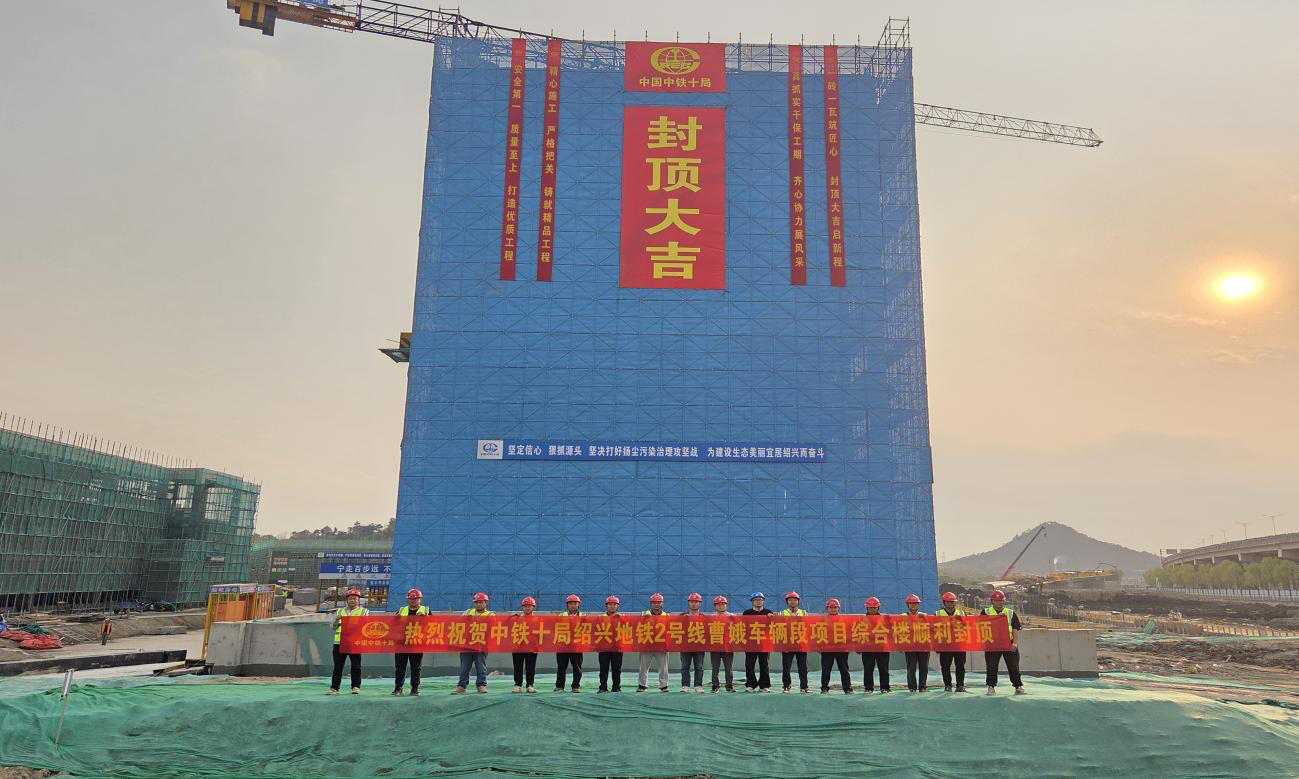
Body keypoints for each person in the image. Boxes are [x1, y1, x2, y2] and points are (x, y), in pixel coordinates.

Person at [982, 590, 1025, 695]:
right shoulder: (985, 612)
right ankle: (991, 687)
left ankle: (1018, 686)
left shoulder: (1010, 613)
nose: (998, 602)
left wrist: (1015, 643)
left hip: (1008, 643)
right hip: (992, 644)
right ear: (992, 601)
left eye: (1000, 600)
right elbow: (980, 627)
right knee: (991, 666)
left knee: (1013, 666)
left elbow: (1015, 629)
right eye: (996, 600)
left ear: (1003, 601)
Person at [327, 588, 369, 695]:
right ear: (347, 600)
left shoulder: (364, 612)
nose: (352, 600)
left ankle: (356, 687)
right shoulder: (339, 611)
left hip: (355, 643)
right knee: (338, 666)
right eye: (350, 598)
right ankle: (335, 688)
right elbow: (332, 627)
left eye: (355, 598)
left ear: (358, 600)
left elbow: (367, 626)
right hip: (339, 643)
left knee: (356, 665)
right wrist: (336, 619)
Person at [453, 592, 492, 694]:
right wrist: (465, 619)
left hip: (481, 645)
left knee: (481, 667)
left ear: (486, 602)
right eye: (476, 602)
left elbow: (492, 627)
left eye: (481, 602)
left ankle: (481, 685)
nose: (478, 604)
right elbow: (458, 623)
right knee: (464, 667)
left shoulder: (490, 614)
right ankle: (462, 686)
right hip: (466, 645)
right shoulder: (468, 612)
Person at [393, 588, 429, 696]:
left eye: (415, 599)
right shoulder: (401, 610)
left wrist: (425, 618)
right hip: (401, 642)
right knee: (400, 667)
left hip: (416, 643)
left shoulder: (425, 610)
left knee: (416, 667)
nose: (413, 601)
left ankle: (415, 689)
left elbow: (433, 625)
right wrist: (395, 619)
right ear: (408, 599)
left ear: (420, 599)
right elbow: (393, 624)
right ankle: (398, 688)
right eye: (411, 599)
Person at [637, 593, 671, 692]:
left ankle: (664, 686)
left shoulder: (667, 616)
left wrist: (668, 645)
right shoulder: (644, 614)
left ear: (662, 604)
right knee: (643, 667)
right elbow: (637, 627)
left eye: (658, 602)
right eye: (654, 602)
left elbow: (670, 631)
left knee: (663, 668)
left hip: (661, 646)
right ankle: (642, 685)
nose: (656, 604)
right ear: (651, 604)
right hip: (647, 645)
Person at [934, 591, 967, 692]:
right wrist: (937, 645)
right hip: (945, 645)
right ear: (944, 602)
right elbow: (933, 629)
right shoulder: (938, 614)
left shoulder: (961, 613)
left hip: (959, 644)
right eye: (948, 602)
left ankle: (960, 685)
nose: (950, 604)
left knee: (960, 666)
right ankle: (947, 685)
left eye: (952, 602)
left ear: (955, 602)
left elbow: (968, 627)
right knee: (945, 666)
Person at [819, 598, 852, 694]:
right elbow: (818, 633)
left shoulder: (844, 620)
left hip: (841, 648)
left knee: (844, 669)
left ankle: (847, 688)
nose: (833, 609)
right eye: (831, 607)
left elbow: (849, 633)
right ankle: (824, 688)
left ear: (838, 608)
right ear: (827, 608)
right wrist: (818, 646)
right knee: (826, 669)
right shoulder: (822, 620)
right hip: (827, 649)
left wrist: (849, 646)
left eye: (835, 607)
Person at [742, 592, 773, 691]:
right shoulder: (746, 613)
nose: (758, 601)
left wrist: (772, 617)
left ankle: (764, 685)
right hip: (751, 643)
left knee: (764, 665)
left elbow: (773, 626)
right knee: (749, 665)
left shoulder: (768, 612)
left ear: (763, 601)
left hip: (764, 643)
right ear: (752, 601)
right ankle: (751, 685)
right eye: (755, 600)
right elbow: (743, 627)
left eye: (760, 599)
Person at [779, 591, 810, 693]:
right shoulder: (781, 614)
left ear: (798, 601)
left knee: (803, 667)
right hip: (787, 644)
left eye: (795, 600)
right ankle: (786, 686)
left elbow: (809, 627)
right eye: (790, 600)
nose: (792, 602)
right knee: (786, 667)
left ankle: (804, 687)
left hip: (801, 643)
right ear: (787, 602)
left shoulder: (804, 613)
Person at [859, 597, 890, 693]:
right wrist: (857, 647)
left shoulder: (885, 618)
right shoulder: (861, 619)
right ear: (867, 608)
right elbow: (857, 633)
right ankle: (868, 688)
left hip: (882, 648)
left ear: (878, 607)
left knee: (884, 669)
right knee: (868, 669)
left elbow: (891, 632)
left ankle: (885, 687)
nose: (872, 609)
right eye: (870, 607)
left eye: (874, 607)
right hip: (867, 648)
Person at [677, 593, 707, 693]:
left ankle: (698, 685)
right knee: (685, 666)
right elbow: (676, 629)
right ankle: (685, 685)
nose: (694, 604)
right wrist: (682, 620)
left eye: (696, 602)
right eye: (692, 602)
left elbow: (707, 631)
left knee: (699, 667)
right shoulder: (682, 616)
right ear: (688, 603)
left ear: (700, 603)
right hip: (685, 646)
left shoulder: (704, 617)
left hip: (699, 646)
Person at [555, 594, 584, 692]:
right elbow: (554, 627)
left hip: (577, 646)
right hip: (563, 645)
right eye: (570, 603)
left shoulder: (583, 616)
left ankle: (576, 686)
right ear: (567, 605)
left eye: (575, 603)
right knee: (561, 667)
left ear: (578, 605)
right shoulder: (561, 616)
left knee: (577, 667)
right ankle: (560, 686)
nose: (573, 605)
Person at [901, 594, 929, 692]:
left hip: (923, 645)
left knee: (924, 667)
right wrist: (900, 645)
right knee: (911, 668)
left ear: (918, 605)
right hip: (910, 646)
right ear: (907, 605)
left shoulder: (924, 616)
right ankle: (912, 687)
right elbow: (897, 630)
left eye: (916, 603)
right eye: (911, 603)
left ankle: (922, 686)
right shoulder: (902, 616)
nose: (914, 605)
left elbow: (931, 629)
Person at [512, 596, 539, 693]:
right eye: (525, 606)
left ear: (533, 607)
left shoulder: (537, 619)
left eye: (529, 606)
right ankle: (518, 685)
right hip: (518, 647)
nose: (527, 608)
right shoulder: (517, 618)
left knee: (530, 667)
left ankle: (530, 685)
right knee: (517, 667)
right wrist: (510, 618)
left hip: (532, 647)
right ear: (522, 607)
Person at [598, 595, 624, 693]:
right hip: (604, 647)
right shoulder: (600, 618)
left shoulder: (622, 617)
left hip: (617, 647)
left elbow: (628, 629)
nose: (612, 606)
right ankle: (603, 687)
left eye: (614, 604)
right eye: (610, 604)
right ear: (606, 606)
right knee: (603, 668)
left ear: (617, 606)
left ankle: (616, 687)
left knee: (616, 669)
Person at [709, 596, 735, 692]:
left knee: (729, 667)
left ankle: (729, 685)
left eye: (722, 604)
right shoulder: (711, 617)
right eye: (718, 604)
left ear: (726, 605)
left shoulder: (732, 616)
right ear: (715, 606)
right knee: (715, 668)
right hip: (715, 646)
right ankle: (715, 686)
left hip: (728, 646)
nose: (720, 606)